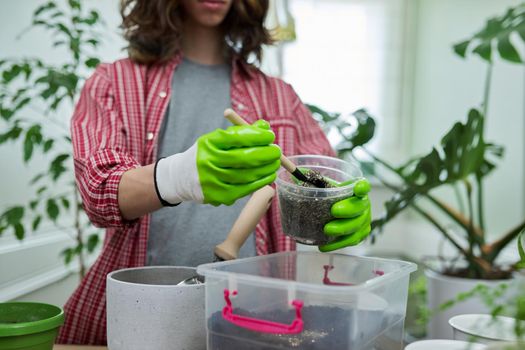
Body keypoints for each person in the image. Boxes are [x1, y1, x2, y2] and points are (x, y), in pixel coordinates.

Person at [58, 0, 372, 345]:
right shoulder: (115, 82)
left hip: (257, 320)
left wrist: (341, 210)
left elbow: (323, 185)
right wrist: (177, 177)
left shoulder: (280, 98)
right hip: (144, 318)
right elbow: (98, 191)